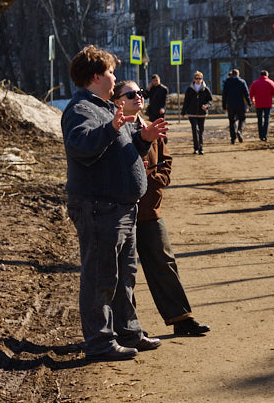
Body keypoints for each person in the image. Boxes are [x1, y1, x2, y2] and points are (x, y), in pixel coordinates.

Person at [61, 45, 168, 361]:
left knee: (124, 276)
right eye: (111, 72)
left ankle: (128, 332)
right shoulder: (81, 109)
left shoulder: (105, 108)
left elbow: (117, 151)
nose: (114, 77)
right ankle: (99, 342)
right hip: (98, 206)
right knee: (101, 276)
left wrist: (142, 139)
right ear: (96, 76)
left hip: (120, 206)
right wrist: (111, 129)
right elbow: (81, 146)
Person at [113, 80, 211, 338]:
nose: (138, 96)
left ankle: (182, 319)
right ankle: (128, 328)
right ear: (117, 101)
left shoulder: (151, 126)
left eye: (140, 92)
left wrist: (155, 180)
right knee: (123, 271)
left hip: (149, 208)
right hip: (119, 211)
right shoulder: (112, 129)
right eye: (131, 94)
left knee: (164, 261)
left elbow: (166, 161)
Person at [181, 71, 213, 154]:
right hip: (192, 113)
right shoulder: (189, 89)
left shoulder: (206, 89)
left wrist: (206, 106)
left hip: (202, 113)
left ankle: (201, 148)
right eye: (196, 78)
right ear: (194, 79)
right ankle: (195, 148)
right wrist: (183, 112)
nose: (198, 80)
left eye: (199, 78)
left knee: (201, 131)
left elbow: (210, 100)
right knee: (194, 129)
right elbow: (186, 101)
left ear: (202, 79)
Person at [248, 70, 274, 142]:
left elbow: (250, 93)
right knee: (266, 119)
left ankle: (260, 135)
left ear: (260, 75)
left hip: (258, 103)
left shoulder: (255, 83)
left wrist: (252, 100)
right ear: (267, 75)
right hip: (267, 103)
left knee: (259, 119)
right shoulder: (270, 82)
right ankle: (264, 134)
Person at [221, 69, 251, 144]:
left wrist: (224, 106)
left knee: (232, 121)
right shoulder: (242, 82)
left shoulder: (227, 82)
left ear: (232, 74)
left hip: (230, 105)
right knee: (242, 119)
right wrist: (249, 103)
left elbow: (224, 95)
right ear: (238, 74)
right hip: (240, 104)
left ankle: (233, 139)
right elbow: (246, 94)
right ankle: (239, 130)